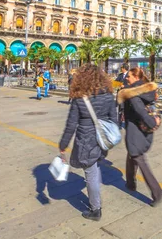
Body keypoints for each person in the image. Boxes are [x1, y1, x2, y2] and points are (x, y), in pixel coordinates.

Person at [59, 64, 117, 221]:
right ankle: (95, 197)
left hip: (86, 140)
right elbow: (114, 120)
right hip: (102, 139)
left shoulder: (79, 99)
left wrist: (63, 144)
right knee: (95, 167)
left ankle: (95, 209)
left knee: (90, 172)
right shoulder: (108, 96)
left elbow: (71, 125)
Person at [118, 68, 162, 207]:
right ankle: (130, 183)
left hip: (136, 130)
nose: (127, 78)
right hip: (143, 130)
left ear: (136, 77)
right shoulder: (145, 89)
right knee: (132, 154)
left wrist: (152, 123)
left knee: (139, 158)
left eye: (130, 76)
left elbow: (140, 111)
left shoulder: (133, 93)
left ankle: (157, 193)